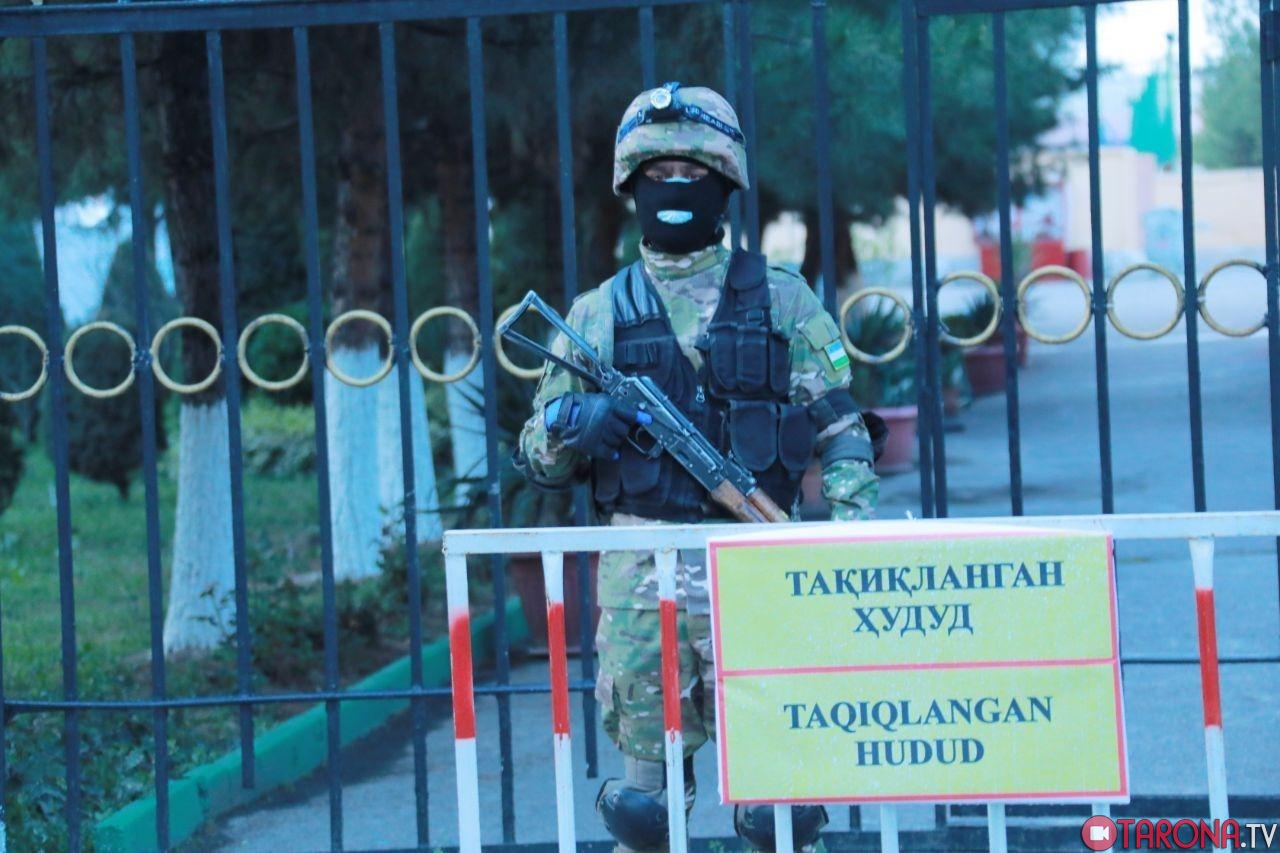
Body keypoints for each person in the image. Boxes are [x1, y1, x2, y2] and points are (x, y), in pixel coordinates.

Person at [514, 81, 880, 852]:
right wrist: (574, 420)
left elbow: (842, 428)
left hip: (759, 570)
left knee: (780, 806)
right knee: (647, 810)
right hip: (639, 582)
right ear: (631, 187)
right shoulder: (596, 314)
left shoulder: (782, 300)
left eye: (690, 175)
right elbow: (540, 458)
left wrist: (854, 542)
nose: (674, 189)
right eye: (657, 176)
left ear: (725, 183)